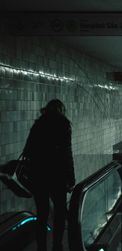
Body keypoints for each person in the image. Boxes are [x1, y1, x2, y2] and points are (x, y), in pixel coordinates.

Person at [23, 99, 75, 251]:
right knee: (59, 213)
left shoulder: (38, 124)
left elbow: (28, 150)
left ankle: (41, 247)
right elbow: (67, 154)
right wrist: (71, 178)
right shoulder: (63, 124)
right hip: (57, 177)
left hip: (39, 176)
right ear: (61, 110)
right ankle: (57, 245)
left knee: (42, 214)